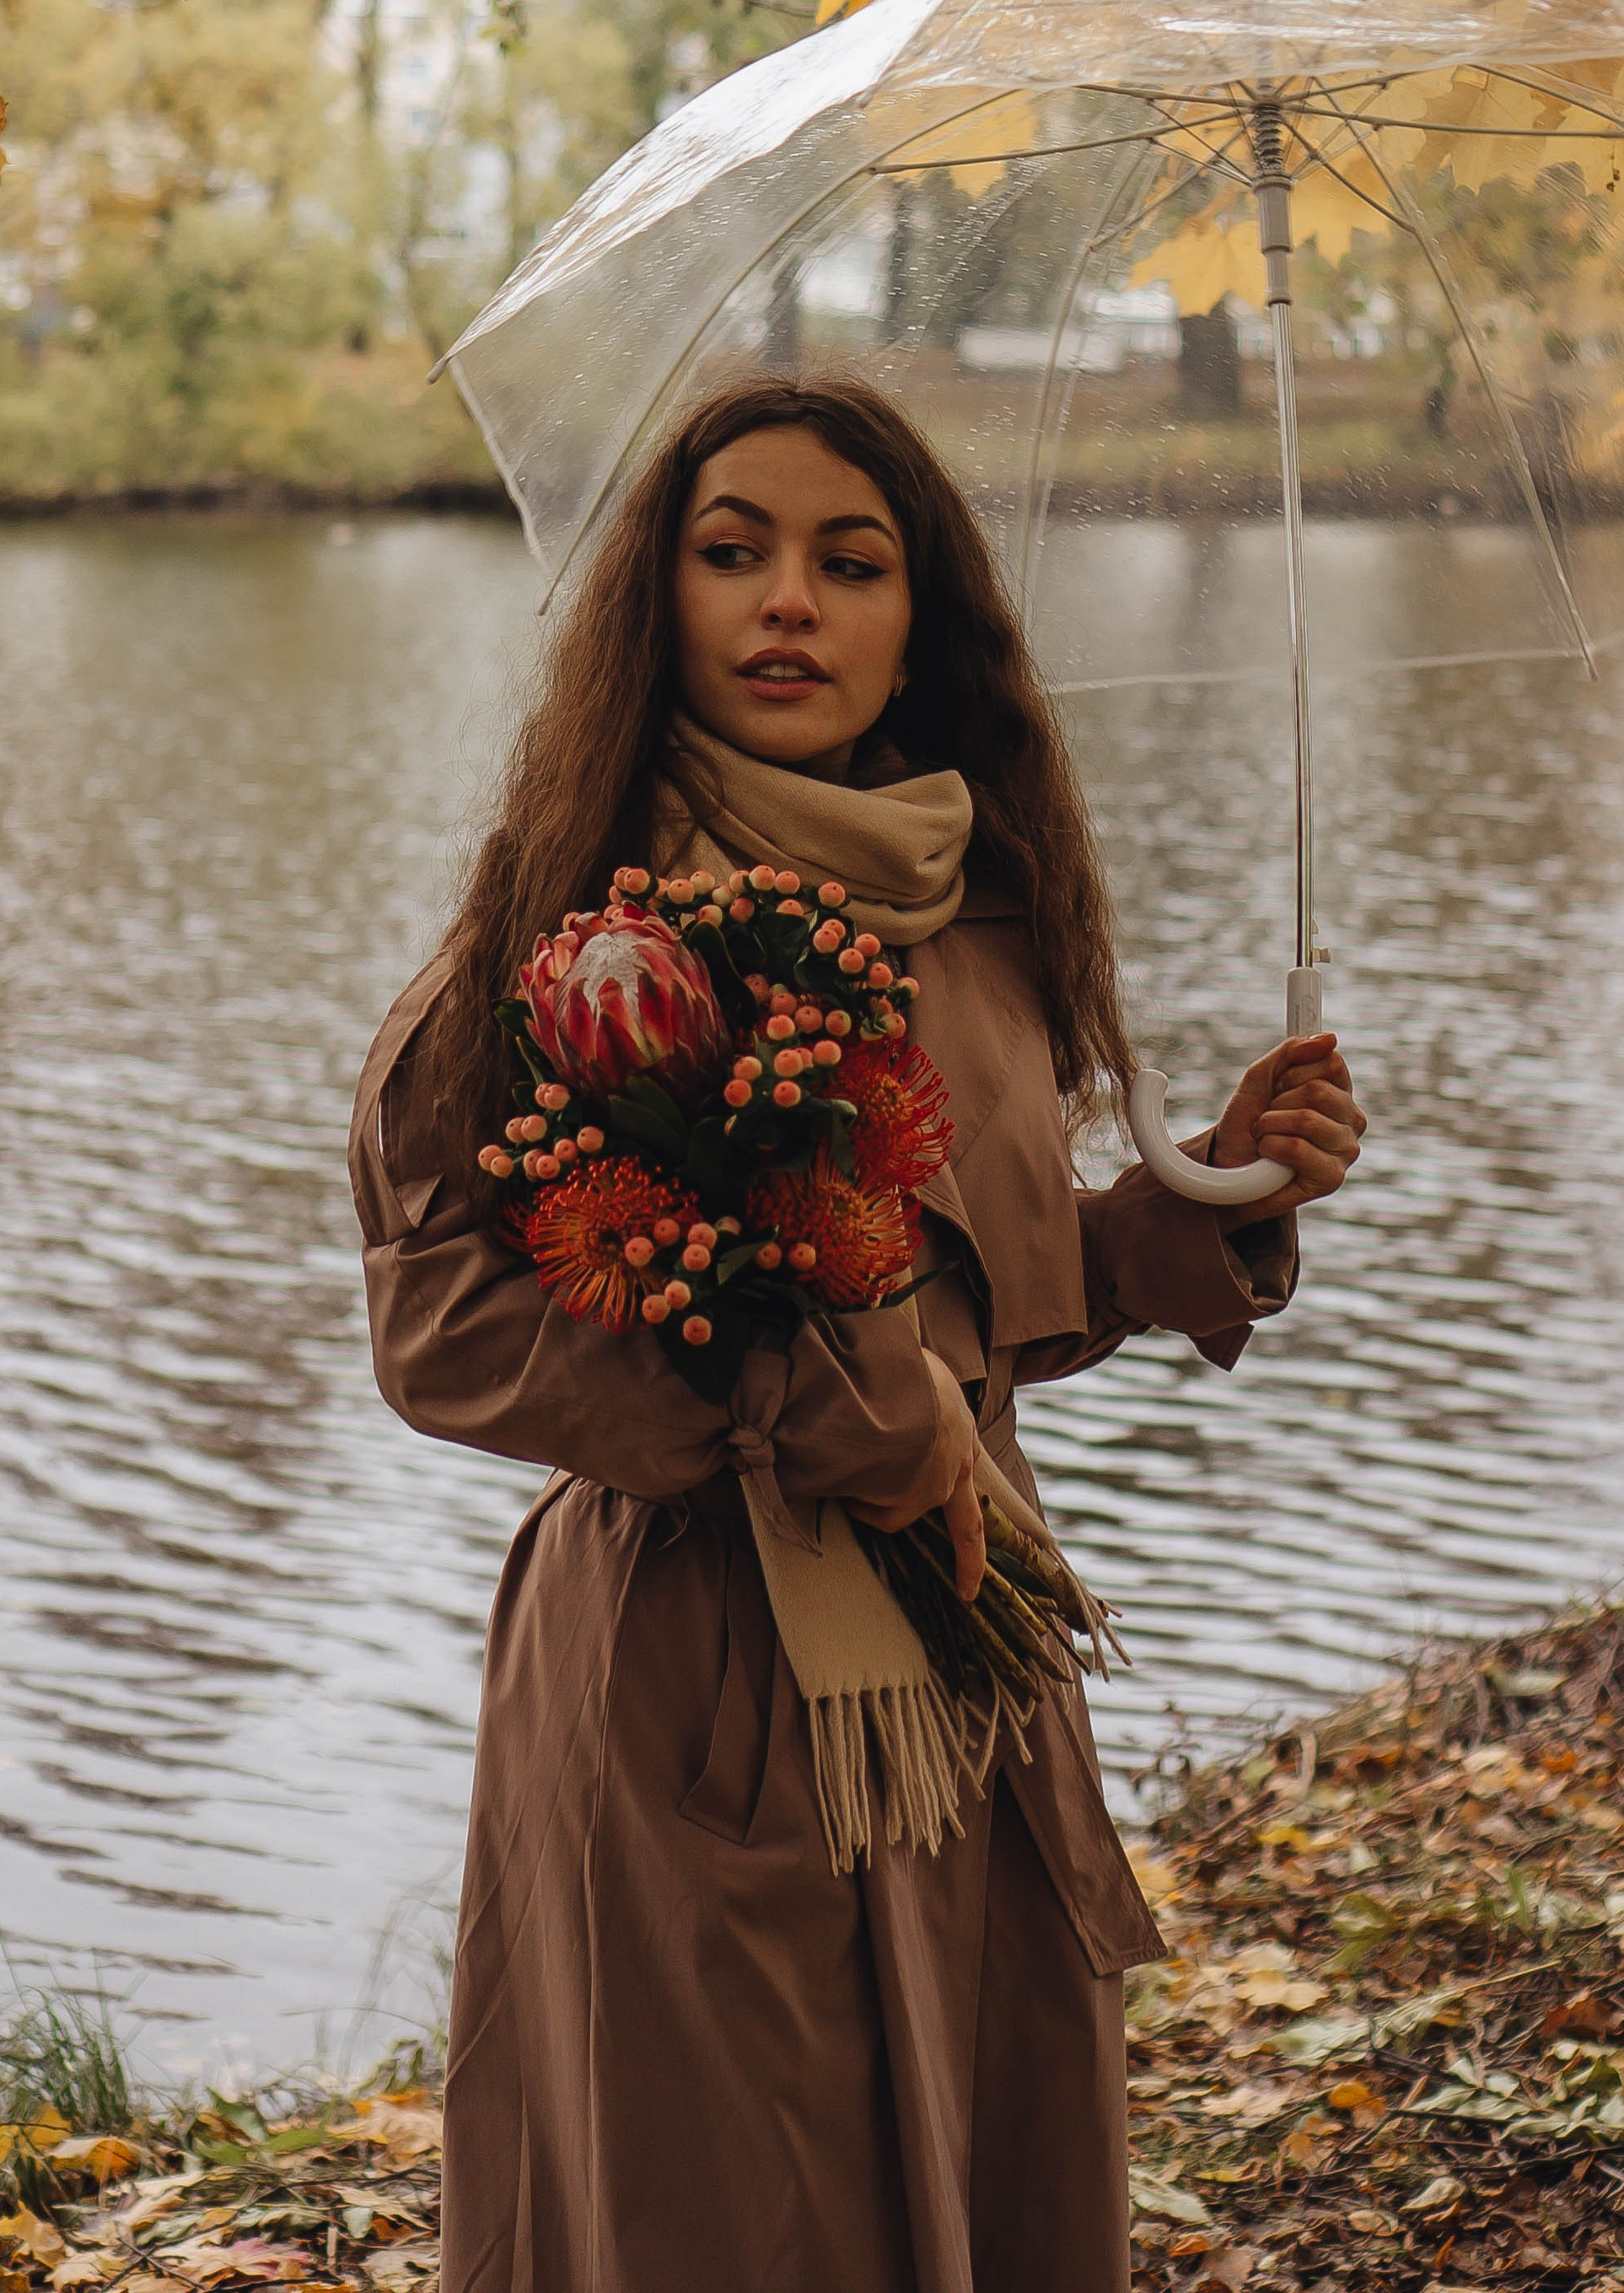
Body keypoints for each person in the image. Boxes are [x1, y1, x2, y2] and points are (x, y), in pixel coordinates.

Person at [349, 374, 1365, 2293]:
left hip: (963, 1660)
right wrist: (786, 1410)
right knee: (725, 2203)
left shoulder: (976, 912)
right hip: (689, 1672)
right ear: (663, 601)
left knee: (982, 2182)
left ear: (924, 616)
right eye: (732, 554)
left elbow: (980, 1306)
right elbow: (440, 1321)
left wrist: (1205, 1206)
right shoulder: (577, 927)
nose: (787, 602)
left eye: (848, 560)